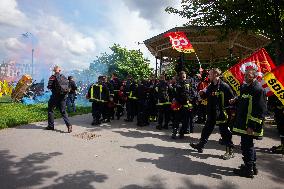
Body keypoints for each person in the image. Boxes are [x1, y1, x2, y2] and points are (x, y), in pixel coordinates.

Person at [190, 68, 235, 160]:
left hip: (222, 114)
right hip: (211, 113)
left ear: (215, 75)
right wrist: (201, 94)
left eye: (210, 74)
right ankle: (200, 145)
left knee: (225, 132)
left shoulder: (224, 86)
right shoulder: (210, 86)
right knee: (206, 130)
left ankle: (230, 151)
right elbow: (205, 96)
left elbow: (232, 100)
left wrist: (230, 114)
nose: (208, 76)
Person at [232, 68, 267, 178]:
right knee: (247, 145)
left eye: (248, 75)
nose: (245, 77)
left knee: (247, 146)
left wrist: (251, 126)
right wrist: (236, 100)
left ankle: (248, 169)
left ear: (255, 76)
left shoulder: (258, 89)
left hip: (249, 125)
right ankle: (252, 166)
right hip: (243, 123)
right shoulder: (246, 87)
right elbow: (244, 100)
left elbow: (260, 110)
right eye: (245, 75)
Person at [46, 65, 72, 133]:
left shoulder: (52, 77)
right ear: (60, 70)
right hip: (63, 96)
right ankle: (69, 125)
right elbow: (68, 86)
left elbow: (49, 86)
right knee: (63, 111)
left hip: (55, 96)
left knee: (50, 110)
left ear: (54, 70)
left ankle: (51, 126)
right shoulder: (63, 77)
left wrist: (52, 88)